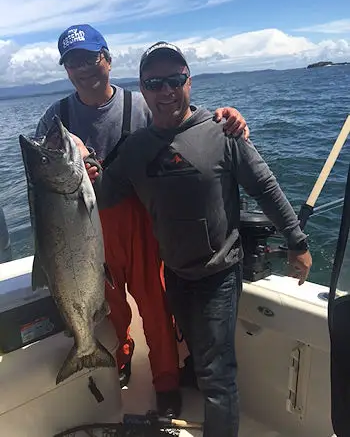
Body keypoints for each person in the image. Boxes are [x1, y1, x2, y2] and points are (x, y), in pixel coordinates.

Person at [81, 41, 313, 437]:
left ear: (190, 81)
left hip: (218, 274)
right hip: (173, 273)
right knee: (194, 351)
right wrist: (82, 172)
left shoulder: (223, 131)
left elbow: (266, 187)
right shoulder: (136, 149)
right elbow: (102, 195)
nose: (166, 90)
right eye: (155, 82)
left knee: (218, 375)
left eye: (175, 79)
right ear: (142, 88)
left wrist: (297, 241)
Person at [35, 25, 250, 417]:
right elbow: (42, 182)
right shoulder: (56, 117)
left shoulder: (141, 104)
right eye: (73, 62)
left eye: (91, 58)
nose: (83, 68)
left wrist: (229, 118)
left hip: (137, 221)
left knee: (154, 302)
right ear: (66, 70)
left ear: (108, 59)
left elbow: (182, 122)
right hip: (83, 226)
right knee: (108, 302)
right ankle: (119, 352)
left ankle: (166, 380)